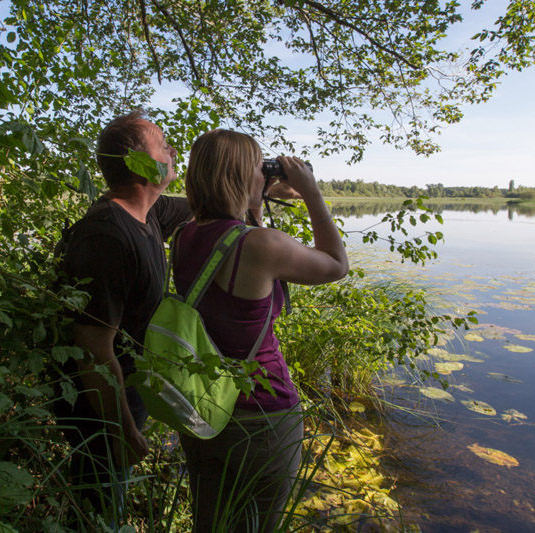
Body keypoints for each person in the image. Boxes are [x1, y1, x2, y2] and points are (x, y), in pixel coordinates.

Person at [173, 129, 349, 532]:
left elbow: (236, 236)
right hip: (262, 416)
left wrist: (256, 197)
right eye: (259, 167)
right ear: (239, 177)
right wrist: (312, 193)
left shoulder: (184, 235)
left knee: (210, 524)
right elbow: (337, 265)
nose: (265, 175)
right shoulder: (261, 245)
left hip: (204, 407)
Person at [54, 109, 192, 522]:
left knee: (109, 495)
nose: (172, 150)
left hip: (126, 393)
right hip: (102, 408)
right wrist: (123, 430)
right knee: (98, 505)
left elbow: (208, 203)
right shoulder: (107, 237)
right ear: (137, 163)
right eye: (163, 144)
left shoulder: (148, 213)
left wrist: (257, 183)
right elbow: (93, 349)